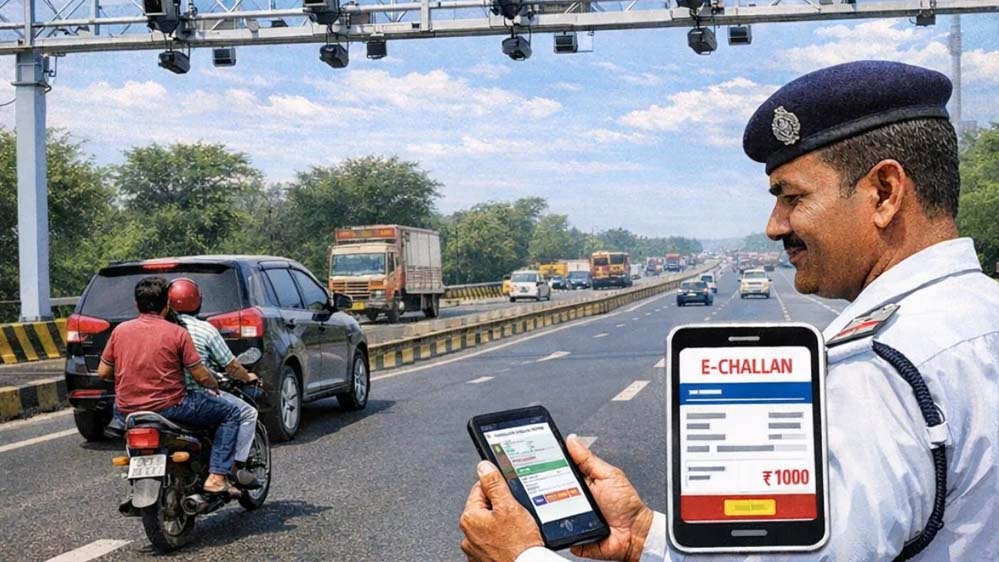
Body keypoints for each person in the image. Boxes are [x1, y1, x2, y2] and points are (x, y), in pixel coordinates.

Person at [459, 60, 999, 561]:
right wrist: (643, 535)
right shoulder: (979, 315)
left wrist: (523, 557)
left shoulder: (878, 368)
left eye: (792, 197)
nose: (774, 226)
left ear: (884, 192)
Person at [98, 276, 244, 497]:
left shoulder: (120, 331)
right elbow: (200, 375)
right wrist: (214, 384)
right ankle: (216, 477)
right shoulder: (177, 332)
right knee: (230, 413)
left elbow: (103, 372)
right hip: (172, 408)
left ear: (137, 304)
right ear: (167, 304)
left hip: (126, 410)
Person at [166, 277, 261, 487]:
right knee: (244, 413)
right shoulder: (202, 330)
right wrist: (247, 377)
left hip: (154, 398)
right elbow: (229, 366)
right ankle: (231, 468)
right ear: (198, 302)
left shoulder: (158, 330)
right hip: (192, 397)